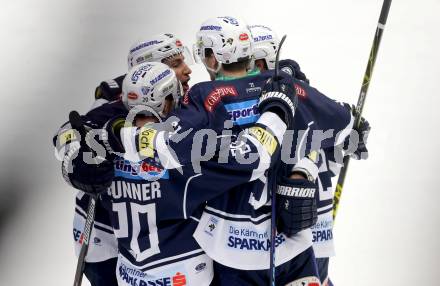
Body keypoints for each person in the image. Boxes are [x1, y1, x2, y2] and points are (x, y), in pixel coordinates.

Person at [249, 24, 371, 286]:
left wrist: (354, 133)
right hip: (289, 242)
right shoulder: (305, 99)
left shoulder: (282, 104)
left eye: (251, 63)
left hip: (298, 242)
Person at [69, 33, 193, 286]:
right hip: (105, 226)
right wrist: (80, 163)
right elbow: (72, 135)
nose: (187, 70)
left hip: (151, 235)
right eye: (176, 64)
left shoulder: (181, 96)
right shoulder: (113, 96)